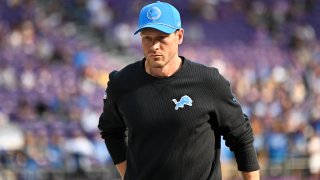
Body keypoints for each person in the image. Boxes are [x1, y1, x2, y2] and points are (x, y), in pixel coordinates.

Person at [98, 1, 260, 180]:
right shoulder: (121, 83)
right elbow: (111, 132)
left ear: (179, 36)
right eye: (147, 38)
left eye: (162, 38)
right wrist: (128, 174)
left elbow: (241, 137)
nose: (154, 47)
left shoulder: (207, 81)